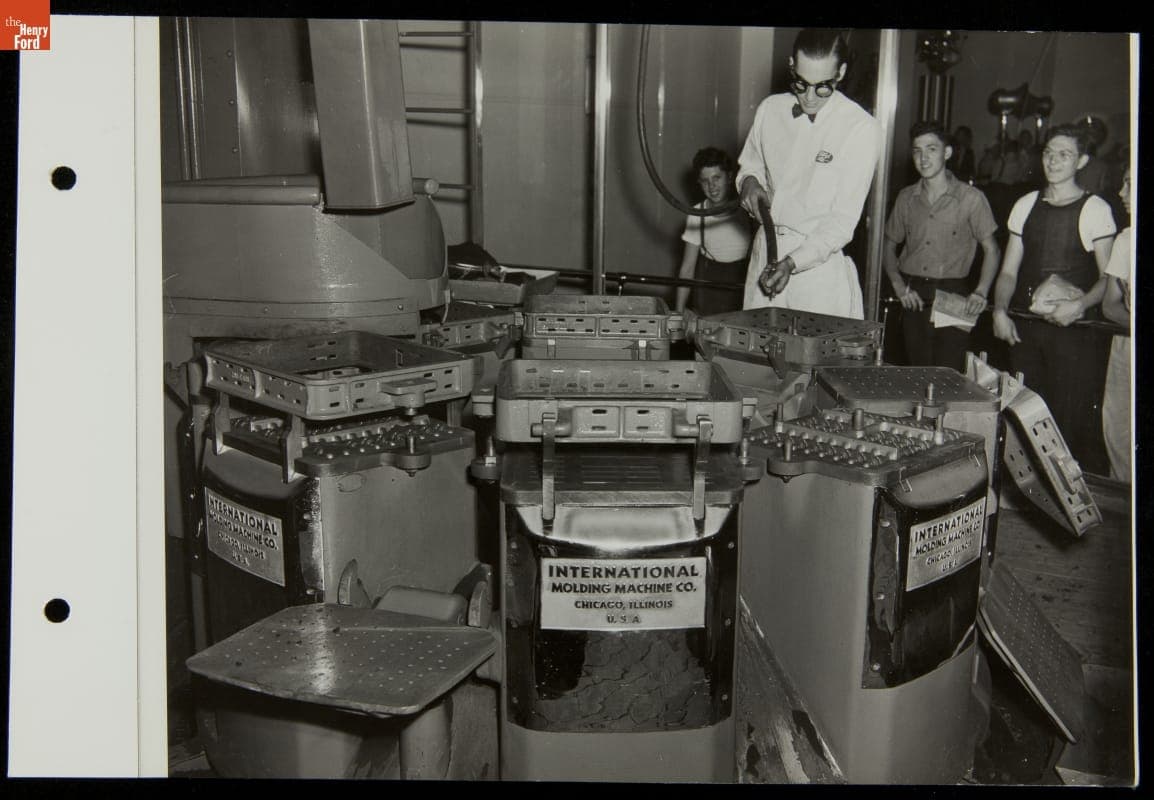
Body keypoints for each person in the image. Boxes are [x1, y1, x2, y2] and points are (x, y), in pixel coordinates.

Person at [991, 124, 1116, 473]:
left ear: (1082, 161)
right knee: (1024, 421)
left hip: (1073, 336)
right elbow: (1008, 273)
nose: (1053, 160)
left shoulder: (1095, 209)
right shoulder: (1025, 204)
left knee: (1066, 428)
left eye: (1064, 154)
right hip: (1026, 333)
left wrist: (1079, 304)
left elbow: (1110, 278)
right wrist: (1000, 310)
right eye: (1048, 152)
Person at [736, 28, 880, 318]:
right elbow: (750, 166)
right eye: (801, 84)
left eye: (822, 86)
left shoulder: (861, 128)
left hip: (816, 272)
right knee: (753, 355)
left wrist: (792, 262)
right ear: (792, 66)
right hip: (765, 255)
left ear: (841, 72)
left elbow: (842, 221)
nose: (810, 97)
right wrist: (749, 182)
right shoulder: (770, 110)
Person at [883, 120, 1001, 372]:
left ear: (947, 153)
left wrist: (981, 291)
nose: (923, 158)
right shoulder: (906, 198)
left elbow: (992, 249)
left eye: (931, 149)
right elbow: (889, 246)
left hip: (955, 293)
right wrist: (899, 286)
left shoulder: (971, 198)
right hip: (912, 295)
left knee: (949, 373)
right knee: (917, 370)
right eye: (917, 150)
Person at [675, 147, 753, 315]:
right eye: (705, 181)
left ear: (730, 177)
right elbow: (687, 269)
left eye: (717, 178)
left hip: (741, 297)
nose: (712, 186)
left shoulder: (747, 211)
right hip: (708, 300)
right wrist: (679, 312)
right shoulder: (697, 215)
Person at [1100, 167, 1132, 481]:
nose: (1121, 193)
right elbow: (1110, 305)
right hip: (1126, 343)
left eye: (1130, 185)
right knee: (1118, 433)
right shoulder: (1126, 239)